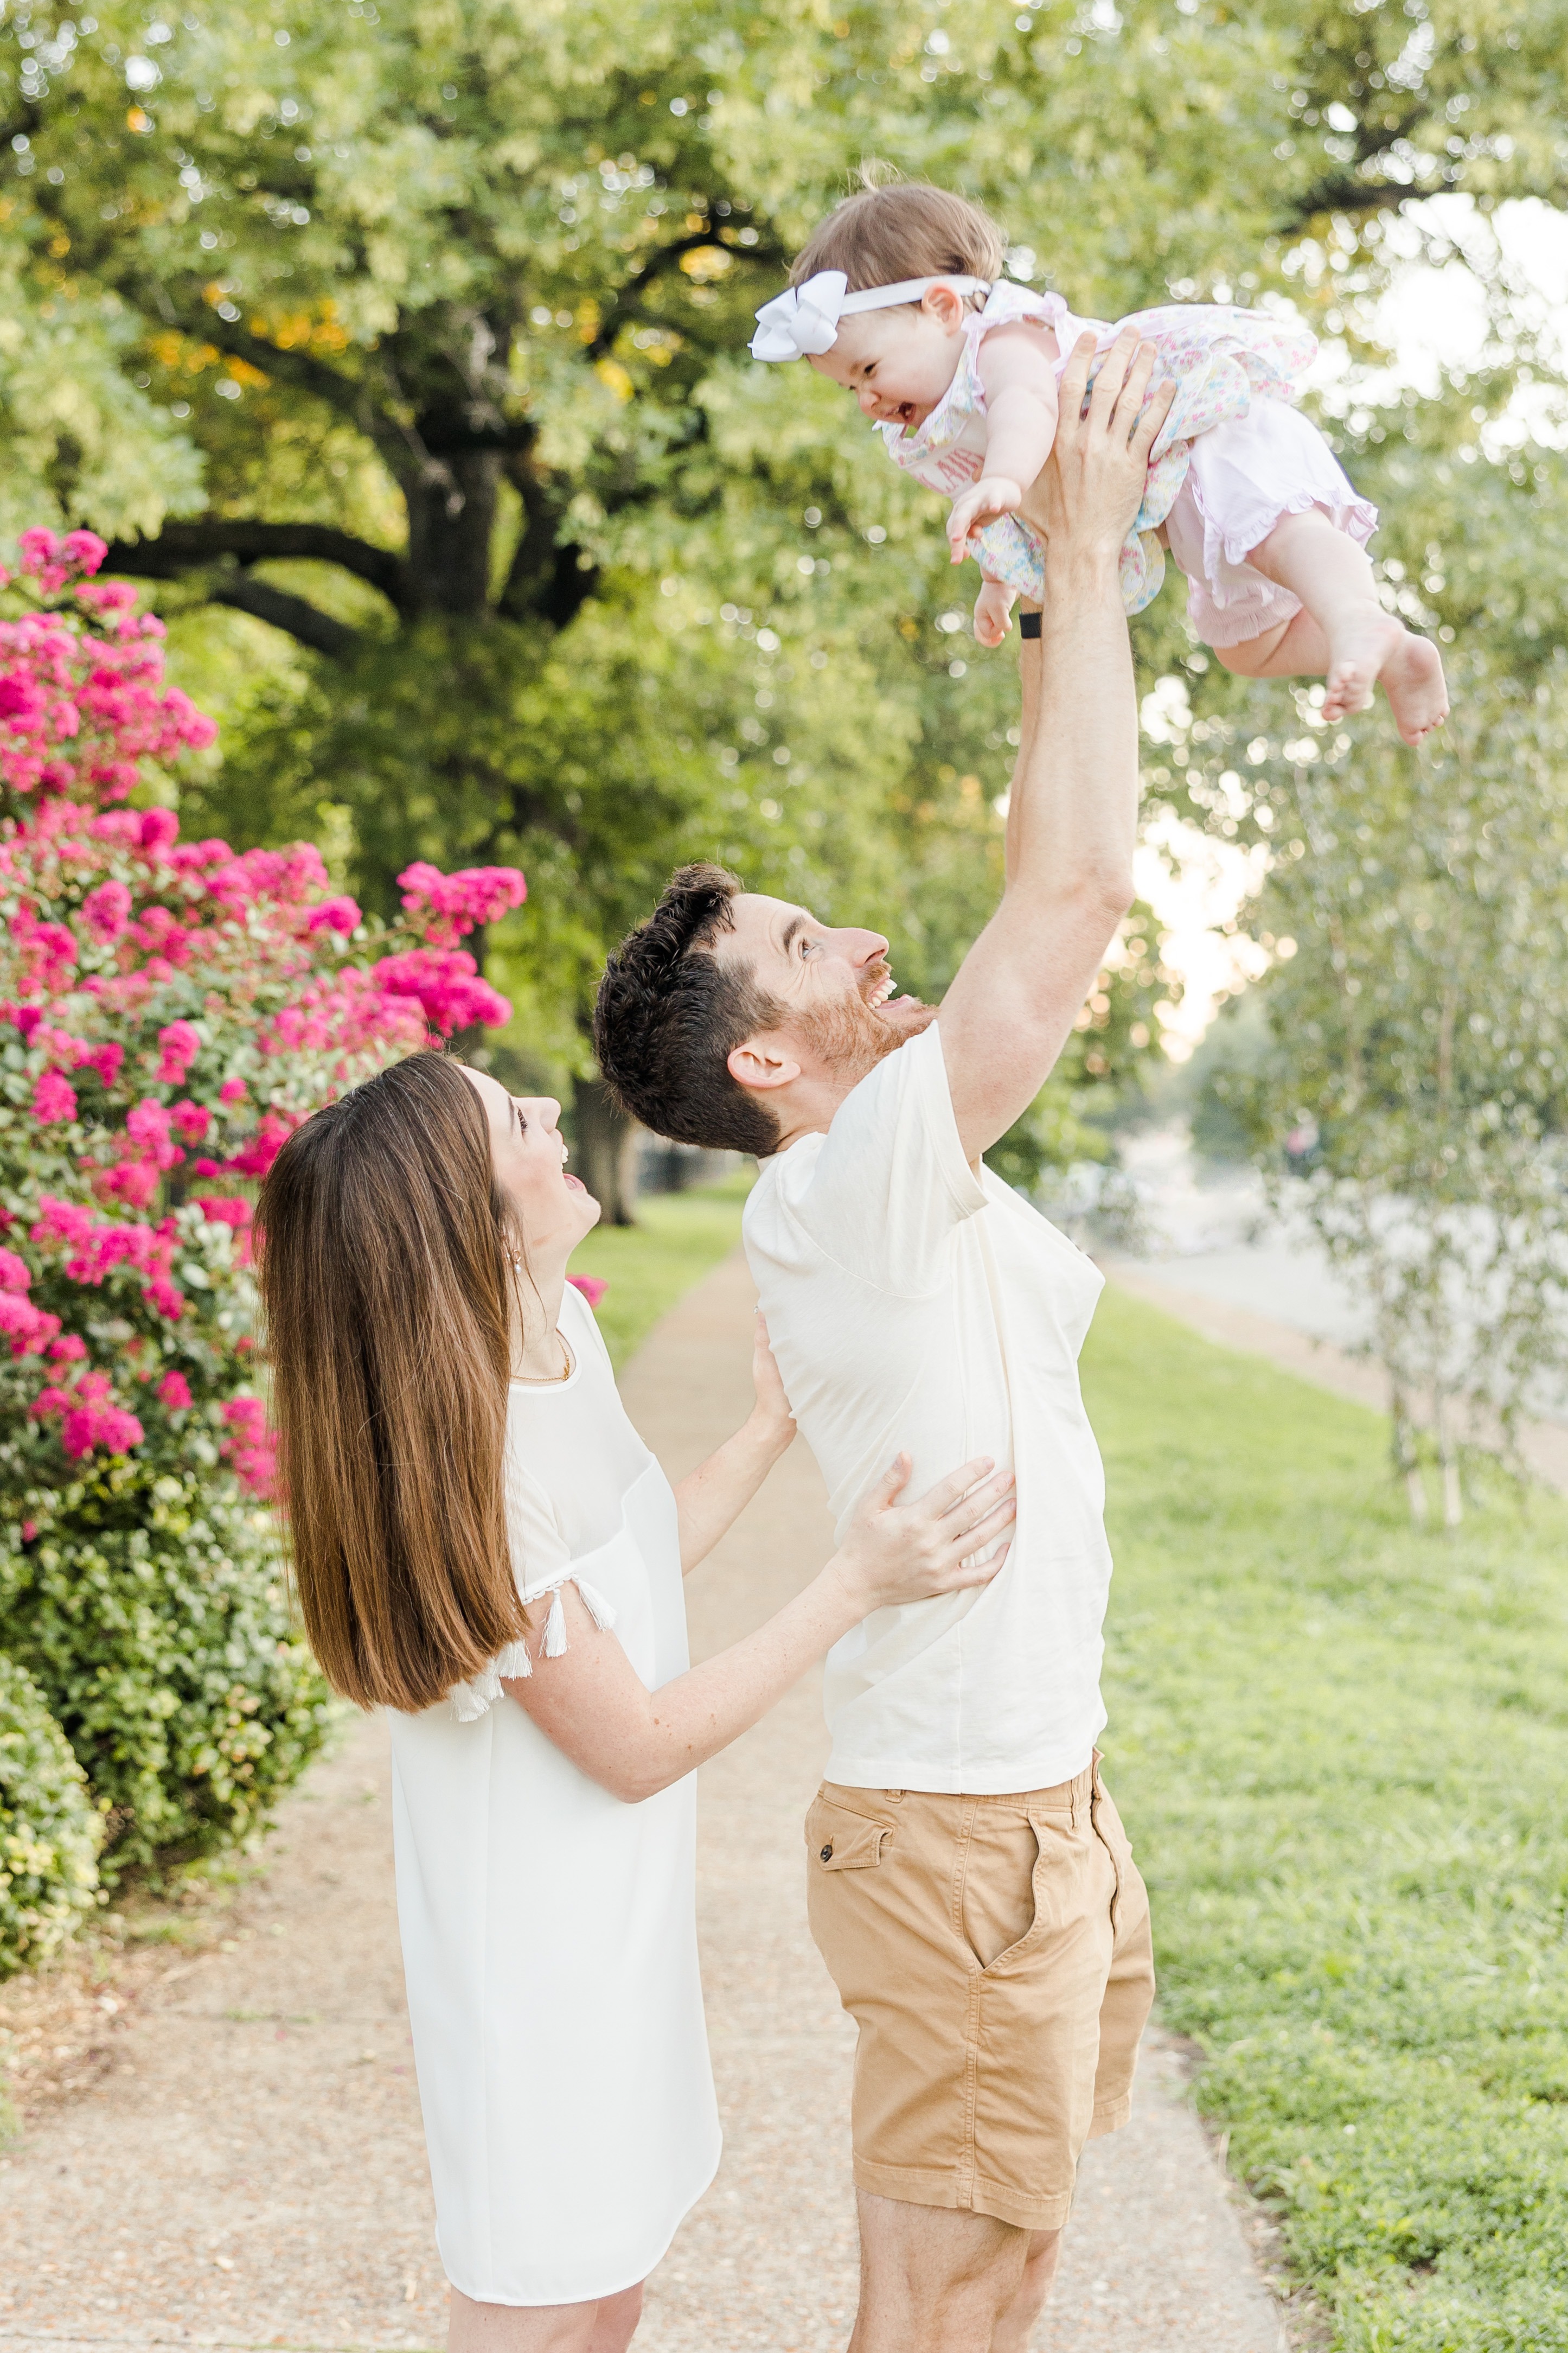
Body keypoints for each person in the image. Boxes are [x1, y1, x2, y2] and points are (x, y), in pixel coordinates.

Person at [592, 329, 1170, 2353]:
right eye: (803, 941)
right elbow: (1074, 886)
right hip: (953, 1836)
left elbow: (1042, 854)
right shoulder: (836, 1188)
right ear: (767, 1054)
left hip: (1044, 1806)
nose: (858, 935)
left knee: (1003, 2276)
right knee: (933, 2314)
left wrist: (1032, 598)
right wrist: (1092, 552)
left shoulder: (893, 1163)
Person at [253, 1048, 1015, 2353]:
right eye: (514, 1119)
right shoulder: (478, 1461)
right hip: (532, 1957)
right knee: (540, 2302)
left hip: (610, 1927)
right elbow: (638, 1742)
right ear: (467, 1212)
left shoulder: (555, 1337)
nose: (551, 1115)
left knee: (609, 2287)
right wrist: (854, 1584)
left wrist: (770, 1426)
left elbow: (634, 1553)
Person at [750, 177, 1448, 745]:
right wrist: (998, 578)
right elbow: (1019, 508)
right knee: (1244, 648)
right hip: (1169, 495)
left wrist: (1002, 477)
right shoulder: (941, 422)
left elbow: (1027, 413)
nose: (867, 398)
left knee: (1282, 538)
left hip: (1204, 434)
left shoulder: (999, 344)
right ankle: (1390, 653)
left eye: (869, 368)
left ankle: (1358, 616)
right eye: (849, 387)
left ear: (940, 308)